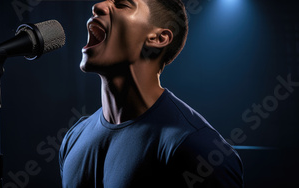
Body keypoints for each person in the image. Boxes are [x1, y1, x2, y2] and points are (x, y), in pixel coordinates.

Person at [59, 0, 244, 187]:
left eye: (122, 4)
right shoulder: (75, 136)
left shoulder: (197, 147)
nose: (97, 6)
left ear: (158, 38)